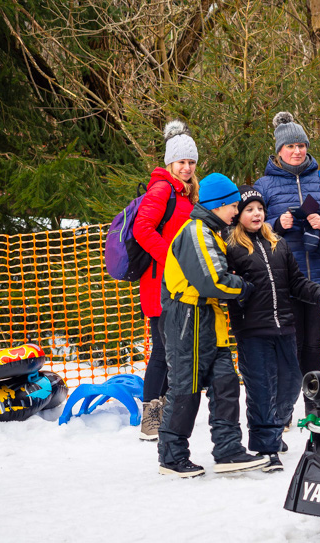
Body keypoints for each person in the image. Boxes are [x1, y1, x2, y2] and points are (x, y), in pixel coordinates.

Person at [157, 173, 266, 478]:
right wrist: (244, 286)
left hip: (210, 320)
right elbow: (212, 281)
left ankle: (228, 450)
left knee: (225, 384)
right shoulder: (196, 232)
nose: (236, 210)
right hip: (188, 319)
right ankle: (171, 455)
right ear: (218, 205)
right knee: (186, 388)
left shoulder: (212, 232)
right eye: (233, 205)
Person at [225, 186, 320, 472]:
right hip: (253, 330)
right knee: (261, 389)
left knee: (290, 383)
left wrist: (318, 293)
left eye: (259, 208)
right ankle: (266, 448)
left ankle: (273, 430)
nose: (256, 213)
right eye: (249, 209)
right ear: (239, 216)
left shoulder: (278, 243)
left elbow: (296, 281)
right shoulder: (231, 248)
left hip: (285, 327)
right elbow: (225, 285)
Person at [254, 112, 320, 378]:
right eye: (290, 146)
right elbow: (249, 226)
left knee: (314, 343)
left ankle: (312, 400)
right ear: (279, 151)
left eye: (301, 145)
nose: (297, 151)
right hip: (286, 278)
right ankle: (288, 405)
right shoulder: (264, 185)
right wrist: (277, 224)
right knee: (292, 342)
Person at [133, 120, 198, 441]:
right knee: (162, 350)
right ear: (170, 162)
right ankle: (150, 417)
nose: (186, 167)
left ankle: (165, 409)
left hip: (176, 283)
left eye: (190, 162)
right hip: (160, 282)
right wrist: (173, 257)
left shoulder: (184, 192)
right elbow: (142, 229)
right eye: (181, 162)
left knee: (173, 348)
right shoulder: (161, 189)